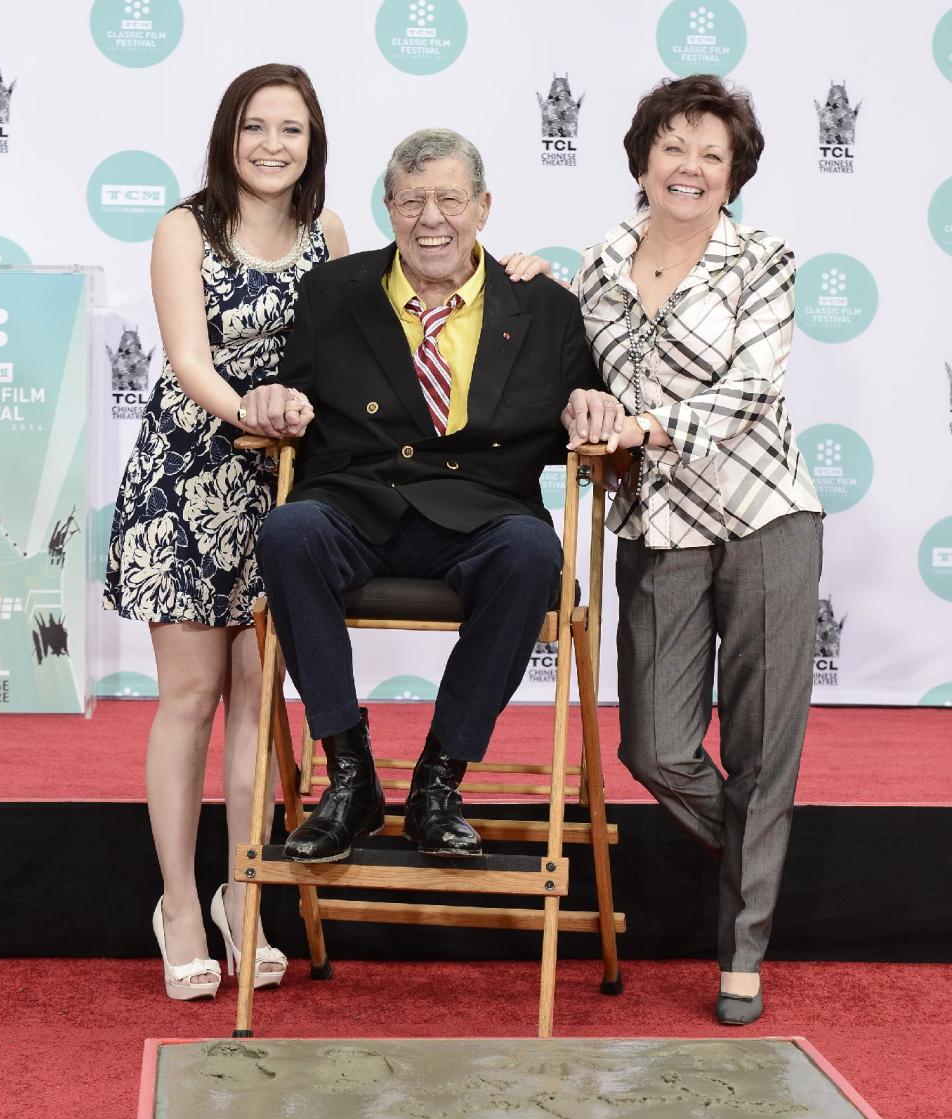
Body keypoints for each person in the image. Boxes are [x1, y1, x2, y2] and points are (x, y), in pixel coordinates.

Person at [103, 81, 548, 999]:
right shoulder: (184, 229)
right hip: (200, 469)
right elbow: (189, 357)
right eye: (256, 126)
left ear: (315, 142)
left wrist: (512, 270)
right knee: (189, 698)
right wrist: (257, 416)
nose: (272, 143)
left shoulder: (332, 234)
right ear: (228, 135)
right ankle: (179, 905)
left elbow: (411, 295)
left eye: (292, 129)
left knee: (258, 705)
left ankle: (244, 896)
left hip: (299, 470)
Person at [241, 127, 599, 863]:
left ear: (484, 206)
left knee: (533, 552)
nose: (430, 218)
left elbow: (589, 402)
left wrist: (593, 410)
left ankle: (440, 779)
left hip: (480, 513)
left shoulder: (546, 309)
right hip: (358, 502)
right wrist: (279, 402)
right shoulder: (332, 293)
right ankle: (349, 773)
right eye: (411, 201)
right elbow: (296, 396)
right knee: (287, 531)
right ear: (387, 208)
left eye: (449, 199)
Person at [565, 75, 823, 1025]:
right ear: (642, 159)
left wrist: (640, 425)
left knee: (762, 747)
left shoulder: (765, 259)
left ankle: (743, 952)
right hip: (660, 528)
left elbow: (754, 390)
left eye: (713, 154)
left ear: (733, 176)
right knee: (657, 747)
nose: (691, 166)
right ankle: (763, 855)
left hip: (766, 517)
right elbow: (575, 376)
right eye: (674, 146)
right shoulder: (592, 268)